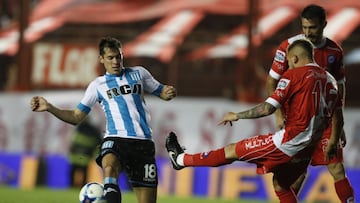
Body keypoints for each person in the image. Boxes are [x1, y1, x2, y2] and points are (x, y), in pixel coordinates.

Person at [166, 39, 342, 203]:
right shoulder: (330, 80)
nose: (287, 65)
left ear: (294, 58)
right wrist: (333, 140)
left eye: (288, 61)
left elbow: (268, 108)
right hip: (307, 148)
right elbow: (337, 115)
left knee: (231, 151)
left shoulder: (293, 76)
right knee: (281, 185)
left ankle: (180, 160)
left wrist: (238, 115)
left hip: (286, 143)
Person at [30, 36, 177, 203]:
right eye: (110, 57)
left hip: (143, 143)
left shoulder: (139, 73)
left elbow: (161, 91)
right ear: (101, 59)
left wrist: (168, 92)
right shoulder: (97, 85)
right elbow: (77, 117)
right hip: (116, 138)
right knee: (109, 165)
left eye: (118, 57)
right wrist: (49, 107)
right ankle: (110, 195)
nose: (115, 61)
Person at [266, 4, 354, 202]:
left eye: (312, 28)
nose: (307, 32)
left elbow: (339, 89)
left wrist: (339, 125)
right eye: (304, 27)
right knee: (296, 177)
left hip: (324, 119)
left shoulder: (335, 51)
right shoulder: (288, 47)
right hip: (297, 120)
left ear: (324, 24)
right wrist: (278, 114)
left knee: (336, 167)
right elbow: (271, 81)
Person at [68, 118, 102, 188]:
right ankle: (82, 187)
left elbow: (74, 143)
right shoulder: (94, 130)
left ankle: (72, 186)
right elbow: (98, 143)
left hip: (77, 156)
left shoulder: (80, 128)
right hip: (85, 156)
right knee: (83, 173)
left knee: (73, 172)